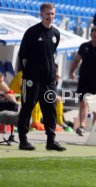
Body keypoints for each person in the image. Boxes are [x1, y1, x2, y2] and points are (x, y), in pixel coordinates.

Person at [17, 2, 66, 151]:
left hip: (49, 80)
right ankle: (23, 140)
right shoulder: (32, 32)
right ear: (41, 14)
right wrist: (29, 74)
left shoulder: (56, 33)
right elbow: (23, 55)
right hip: (32, 78)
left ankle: (51, 141)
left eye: (52, 14)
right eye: (47, 14)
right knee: (27, 107)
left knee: (50, 108)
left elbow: (51, 53)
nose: (50, 17)